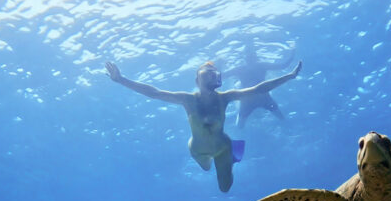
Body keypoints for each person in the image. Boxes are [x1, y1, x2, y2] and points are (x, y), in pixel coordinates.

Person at [105, 59, 302, 192]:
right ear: (197, 80)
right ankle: (222, 158)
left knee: (225, 188)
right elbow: (154, 92)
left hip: (223, 147)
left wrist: (290, 76)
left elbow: (259, 88)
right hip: (198, 149)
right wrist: (121, 79)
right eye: (207, 73)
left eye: (214, 73)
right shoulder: (187, 100)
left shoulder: (226, 97)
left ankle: (232, 158)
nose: (212, 76)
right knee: (206, 168)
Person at [224, 47, 295, 128]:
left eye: (251, 56)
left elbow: (222, 76)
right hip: (262, 98)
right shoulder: (261, 65)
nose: (250, 58)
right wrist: (292, 54)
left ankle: (287, 128)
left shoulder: (241, 69)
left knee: (239, 126)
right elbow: (283, 65)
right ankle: (288, 128)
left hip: (249, 100)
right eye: (250, 55)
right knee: (282, 119)